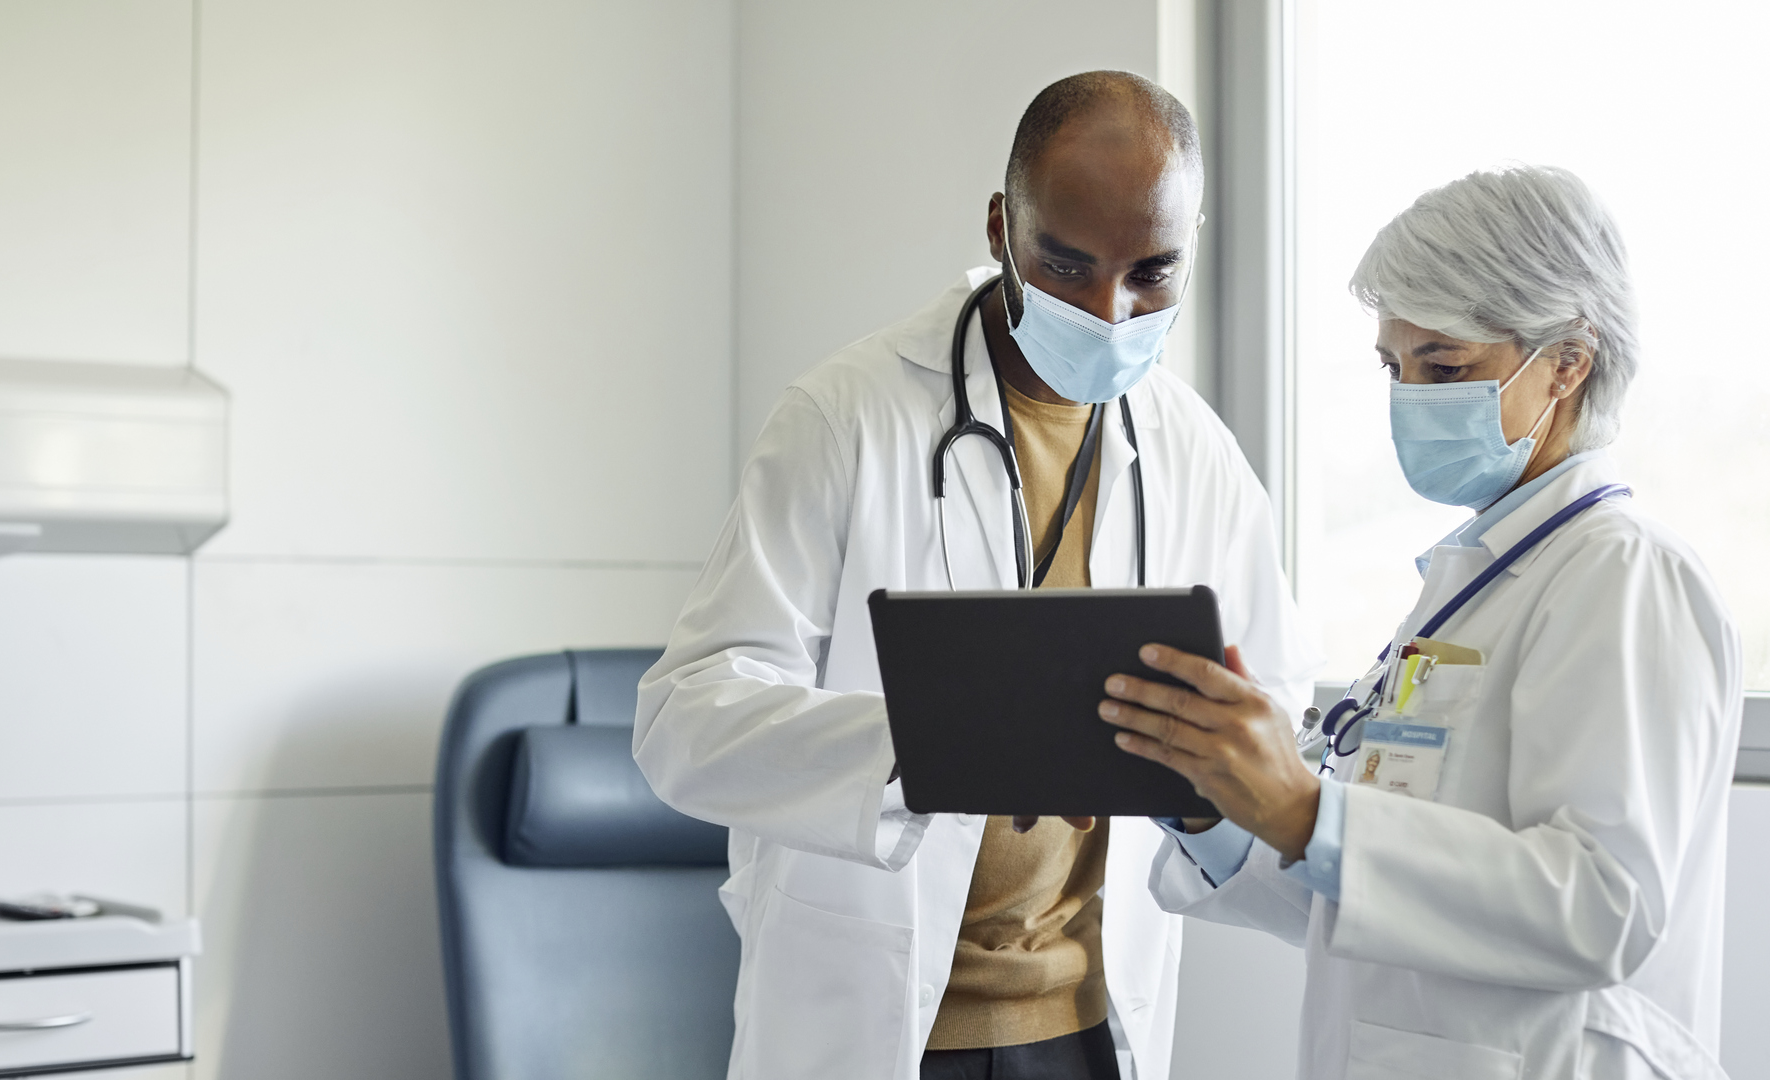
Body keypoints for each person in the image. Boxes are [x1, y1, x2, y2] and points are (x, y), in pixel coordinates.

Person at [634, 71, 1321, 1080]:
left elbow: (1276, 704)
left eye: (1152, 274)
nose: (1109, 310)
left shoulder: (1195, 450)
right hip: (874, 1023)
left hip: (1092, 1024)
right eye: (1067, 265)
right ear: (1003, 226)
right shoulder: (847, 417)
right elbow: (683, 723)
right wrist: (934, 744)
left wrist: (1199, 768)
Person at [1097, 165, 1741, 1079]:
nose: (1409, 397)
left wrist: (1307, 809)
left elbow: (1605, 907)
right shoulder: (1470, 585)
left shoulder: (1622, 575)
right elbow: (1362, 894)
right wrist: (1220, 812)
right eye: (1393, 367)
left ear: (1568, 362)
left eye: (1443, 366)